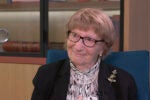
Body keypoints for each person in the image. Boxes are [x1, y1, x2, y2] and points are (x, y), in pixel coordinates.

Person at [31, 8, 137, 100]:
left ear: (103, 48)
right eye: (74, 35)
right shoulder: (46, 74)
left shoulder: (124, 82)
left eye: (89, 39)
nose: (78, 47)